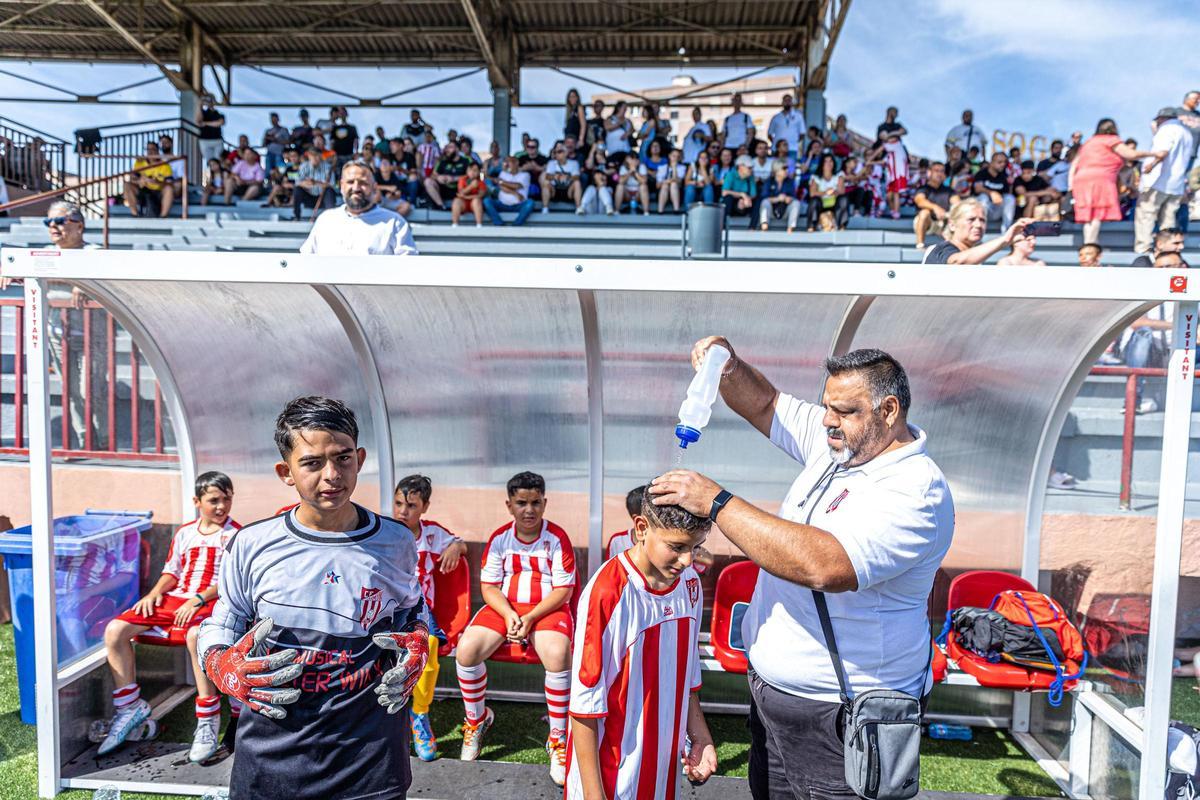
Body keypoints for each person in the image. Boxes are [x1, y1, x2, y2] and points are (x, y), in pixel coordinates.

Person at [648, 342, 954, 800]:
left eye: (843, 410)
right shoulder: (843, 441)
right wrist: (729, 366)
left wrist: (716, 501)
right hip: (776, 698)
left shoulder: (915, 490)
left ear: (888, 411)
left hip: (840, 718)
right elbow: (767, 403)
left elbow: (823, 566)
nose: (827, 419)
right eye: (826, 405)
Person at [199, 397, 431, 800]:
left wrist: (418, 640)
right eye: (311, 463)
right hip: (273, 751)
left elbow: (413, 608)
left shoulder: (396, 541)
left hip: (370, 752)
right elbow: (224, 620)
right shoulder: (252, 543)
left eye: (343, 458)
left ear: (359, 458)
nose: (332, 476)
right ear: (285, 472)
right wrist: (221, 663)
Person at [565, 491, 718, 799]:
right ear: (641, 528)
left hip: (663, 769)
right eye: (677, 547)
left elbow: (686, 678)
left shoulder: (689, 585)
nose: (688, 560)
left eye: (695, 547)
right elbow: (584, 708)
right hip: (612, 777)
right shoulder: (609, 592)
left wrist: (700, 736)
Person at [100, 472, 240, 761]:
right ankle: (130, 707)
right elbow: (172, 572)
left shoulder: (235, 534)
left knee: (197, 636)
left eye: (227, 499)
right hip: (175, 599)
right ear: (197, 501)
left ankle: (208, 719)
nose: (221, 507)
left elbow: (230, 579)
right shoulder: (185, 533)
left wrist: (198, 598)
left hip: (209, 602)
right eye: (214, 500)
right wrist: (153, 594)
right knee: (115, 630)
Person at [454, 471, 576, 786]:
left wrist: (531, 617)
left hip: (547, 609)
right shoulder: (499, 539)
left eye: (536, 502)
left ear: (545, 503)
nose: (529, 510)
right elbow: (490, 585)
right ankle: (476, 720)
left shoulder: (557, 538)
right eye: (521, 503)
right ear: (509, 505)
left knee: (558, 653)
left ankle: (559, 738)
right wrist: (509, 614)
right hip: (504, 608)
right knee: (466, 650)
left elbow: (564, 590)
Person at [392, 474, 467, 763]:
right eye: (398, 503)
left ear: (425, 507)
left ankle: (419, 715)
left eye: (411, 505)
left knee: (430, 648)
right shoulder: (385, 530)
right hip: (387, 605)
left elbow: (460, 544)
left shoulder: (432, 534)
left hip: (420, 608)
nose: (403, 511)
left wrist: (454, 547)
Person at [1071, 118, 1165, 244]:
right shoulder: (1110, 140)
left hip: (1082, 180)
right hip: (1099, 179)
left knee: (1089, 215)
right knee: (1096, 214)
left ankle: (1090, 242)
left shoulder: (1089, 142)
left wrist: (1070, 184)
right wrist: (1154, 154)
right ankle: (1091, 244)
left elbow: (1075, 164)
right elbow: (1131, 154)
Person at [299, 162, 418, 255]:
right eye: (350, 182)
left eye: (363, 183)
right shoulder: (325, 220)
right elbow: (306, 261)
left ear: (374, 187)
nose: (356, 188)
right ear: (341, 186)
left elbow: (409, 270)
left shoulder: (395, 223)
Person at [1135, 108, 1192, 254]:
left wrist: (1151, 166)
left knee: (1146, 215)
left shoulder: (1167, 129)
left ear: (1162, 118)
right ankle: (1168, 249)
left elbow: (1162, 151)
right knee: (1168, 219)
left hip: (1159, 180)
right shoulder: (1186, 133)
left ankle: (1144, 248)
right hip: (1176, 184)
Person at [923, 200, 1033, 265]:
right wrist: (1005, 239)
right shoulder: (940, 249)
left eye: (982, 220)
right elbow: (957, 262)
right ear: (952, 225)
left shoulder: (974, 256)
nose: (978, 225)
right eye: (971, 219)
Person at [122, 141, 174, 218]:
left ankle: (163, 217)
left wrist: (156, 182)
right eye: (148, 149)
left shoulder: (164, 165)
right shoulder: (139, 163)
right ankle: (135, 214)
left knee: (169, 188)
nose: (150, 151)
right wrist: (139, 181)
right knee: (127, 185)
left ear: (157, 151)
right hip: (142, 189)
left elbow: (170, 183)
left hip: (158, 191)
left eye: (153, 149)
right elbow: (132, 178)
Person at [912, 162, 956, 249]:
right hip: (927, 223)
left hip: (943, 223)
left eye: (942, 171)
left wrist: (949, 215)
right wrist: (935, 208)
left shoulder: (949, 190)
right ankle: (920, 245)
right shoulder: (923, 189)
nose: (939, 173)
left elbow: (957, 203)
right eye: (936, 170)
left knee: (958, 215)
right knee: (924, 213)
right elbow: (920, 201)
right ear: (929, 173)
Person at [484, 156, 536, 226]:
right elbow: (502, 187)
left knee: (530, 202)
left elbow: (517, 186)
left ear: (516, 163)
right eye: (506, 162)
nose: (507, 164)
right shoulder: (503, 173)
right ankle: (499, 224)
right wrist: (515, 193)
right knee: (486, 201)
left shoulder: (525, 175)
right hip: (502, 204)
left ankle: (516, 225)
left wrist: (501, 182)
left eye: (509, 162)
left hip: (518, 205)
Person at [971, 152, 1015, 230]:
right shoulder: (982, 173)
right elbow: (977, 188)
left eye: (1004, 162)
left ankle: (1006, 231)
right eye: (999, 162)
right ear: (991, 162)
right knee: (983, 197)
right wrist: (991, 193)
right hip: (982, 210)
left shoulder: (1004, 175)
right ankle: (980, 229)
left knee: (1010, 198)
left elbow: (1007, 194)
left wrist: (1011, 184)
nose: (1003, 164)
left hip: (997, 210)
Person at [293, 147, 336, 221]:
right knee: (297, 190)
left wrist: (316, 182)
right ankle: (297, 216)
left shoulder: (328, 167)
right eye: (312, 155)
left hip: (322, 198)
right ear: (309, 156)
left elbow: (332, 185)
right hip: (309, 197)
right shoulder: (304, 166)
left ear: (321, 156)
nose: (315, 158)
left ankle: (331, 218)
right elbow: (297, 182)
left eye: (317, 155)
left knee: (329, 191)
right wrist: (306, 183)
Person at [424, 141, 470, 211]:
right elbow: (432, 175)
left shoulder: (466, 160)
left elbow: (473, 175)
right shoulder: (442, 162)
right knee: (428, 181)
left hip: (460, 190)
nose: (447, 150)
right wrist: (438, 177)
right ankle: (441, 206)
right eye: (446, 148)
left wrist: (454, 178)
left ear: (457, 149)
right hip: (444, 190)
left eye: (450, 147)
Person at [541, 143, 583, 213]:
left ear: (566, 153)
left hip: (568, 191)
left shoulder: (574, 163)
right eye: (555, 152)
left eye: (560, 151)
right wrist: (556, 176)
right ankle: (545, 208)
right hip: (555, 191)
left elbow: (577, 177)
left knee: (577, 183)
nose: (557, 154)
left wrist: (567, 177)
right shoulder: (551, 163)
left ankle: (578, 208)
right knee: (546, 182)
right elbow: (547, 176)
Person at [722, 157, 758, 225]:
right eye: (749, 168)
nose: (751, 170)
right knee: (728, 199)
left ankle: (752, 227)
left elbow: (753, 194)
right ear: (740, 167)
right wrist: (742, 195)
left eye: (752, 168)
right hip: (732, 204)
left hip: (745, 204)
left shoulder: (751, 177)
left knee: (758, 201)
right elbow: (724, 192)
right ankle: (724, 225)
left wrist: (745, 199)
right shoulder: (731, 175)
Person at [451, 161, 487, 227]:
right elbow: (461, 192)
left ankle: (479, 225)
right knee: (456, 201)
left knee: (476, 200)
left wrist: (466, 197)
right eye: (470, 170)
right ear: (467, 171)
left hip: (475, 205)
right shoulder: (462, 179)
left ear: (479, 172)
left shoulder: (481, 180)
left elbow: (481, 195)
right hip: (464, 204)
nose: (472, 172)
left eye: (475, 170)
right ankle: (454, 225)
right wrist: (471, 186)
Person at [195, 94, 225, 164]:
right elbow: (198, 121)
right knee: (209, 161)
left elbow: (220, 123)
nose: (209, 102)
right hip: (204, 140)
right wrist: (199, 105)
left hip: (217, 140)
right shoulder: (203, 113)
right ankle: (211, 174)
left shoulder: (219, 114)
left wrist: (205, 123)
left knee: (218, 160)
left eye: (210, 100)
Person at [656, 148, 687, 213]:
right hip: (662, 192)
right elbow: (658, 185)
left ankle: (676, 209)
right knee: (665, 186)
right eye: (673, 156)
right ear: (669, 156)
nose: (675, 158)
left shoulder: (682, 168)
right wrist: (667, 182)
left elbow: (678, 181)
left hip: (677, 192)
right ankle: (660, 210)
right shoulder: (662, 167)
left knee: (673, 184)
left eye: (677, 157)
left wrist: (674, 168)